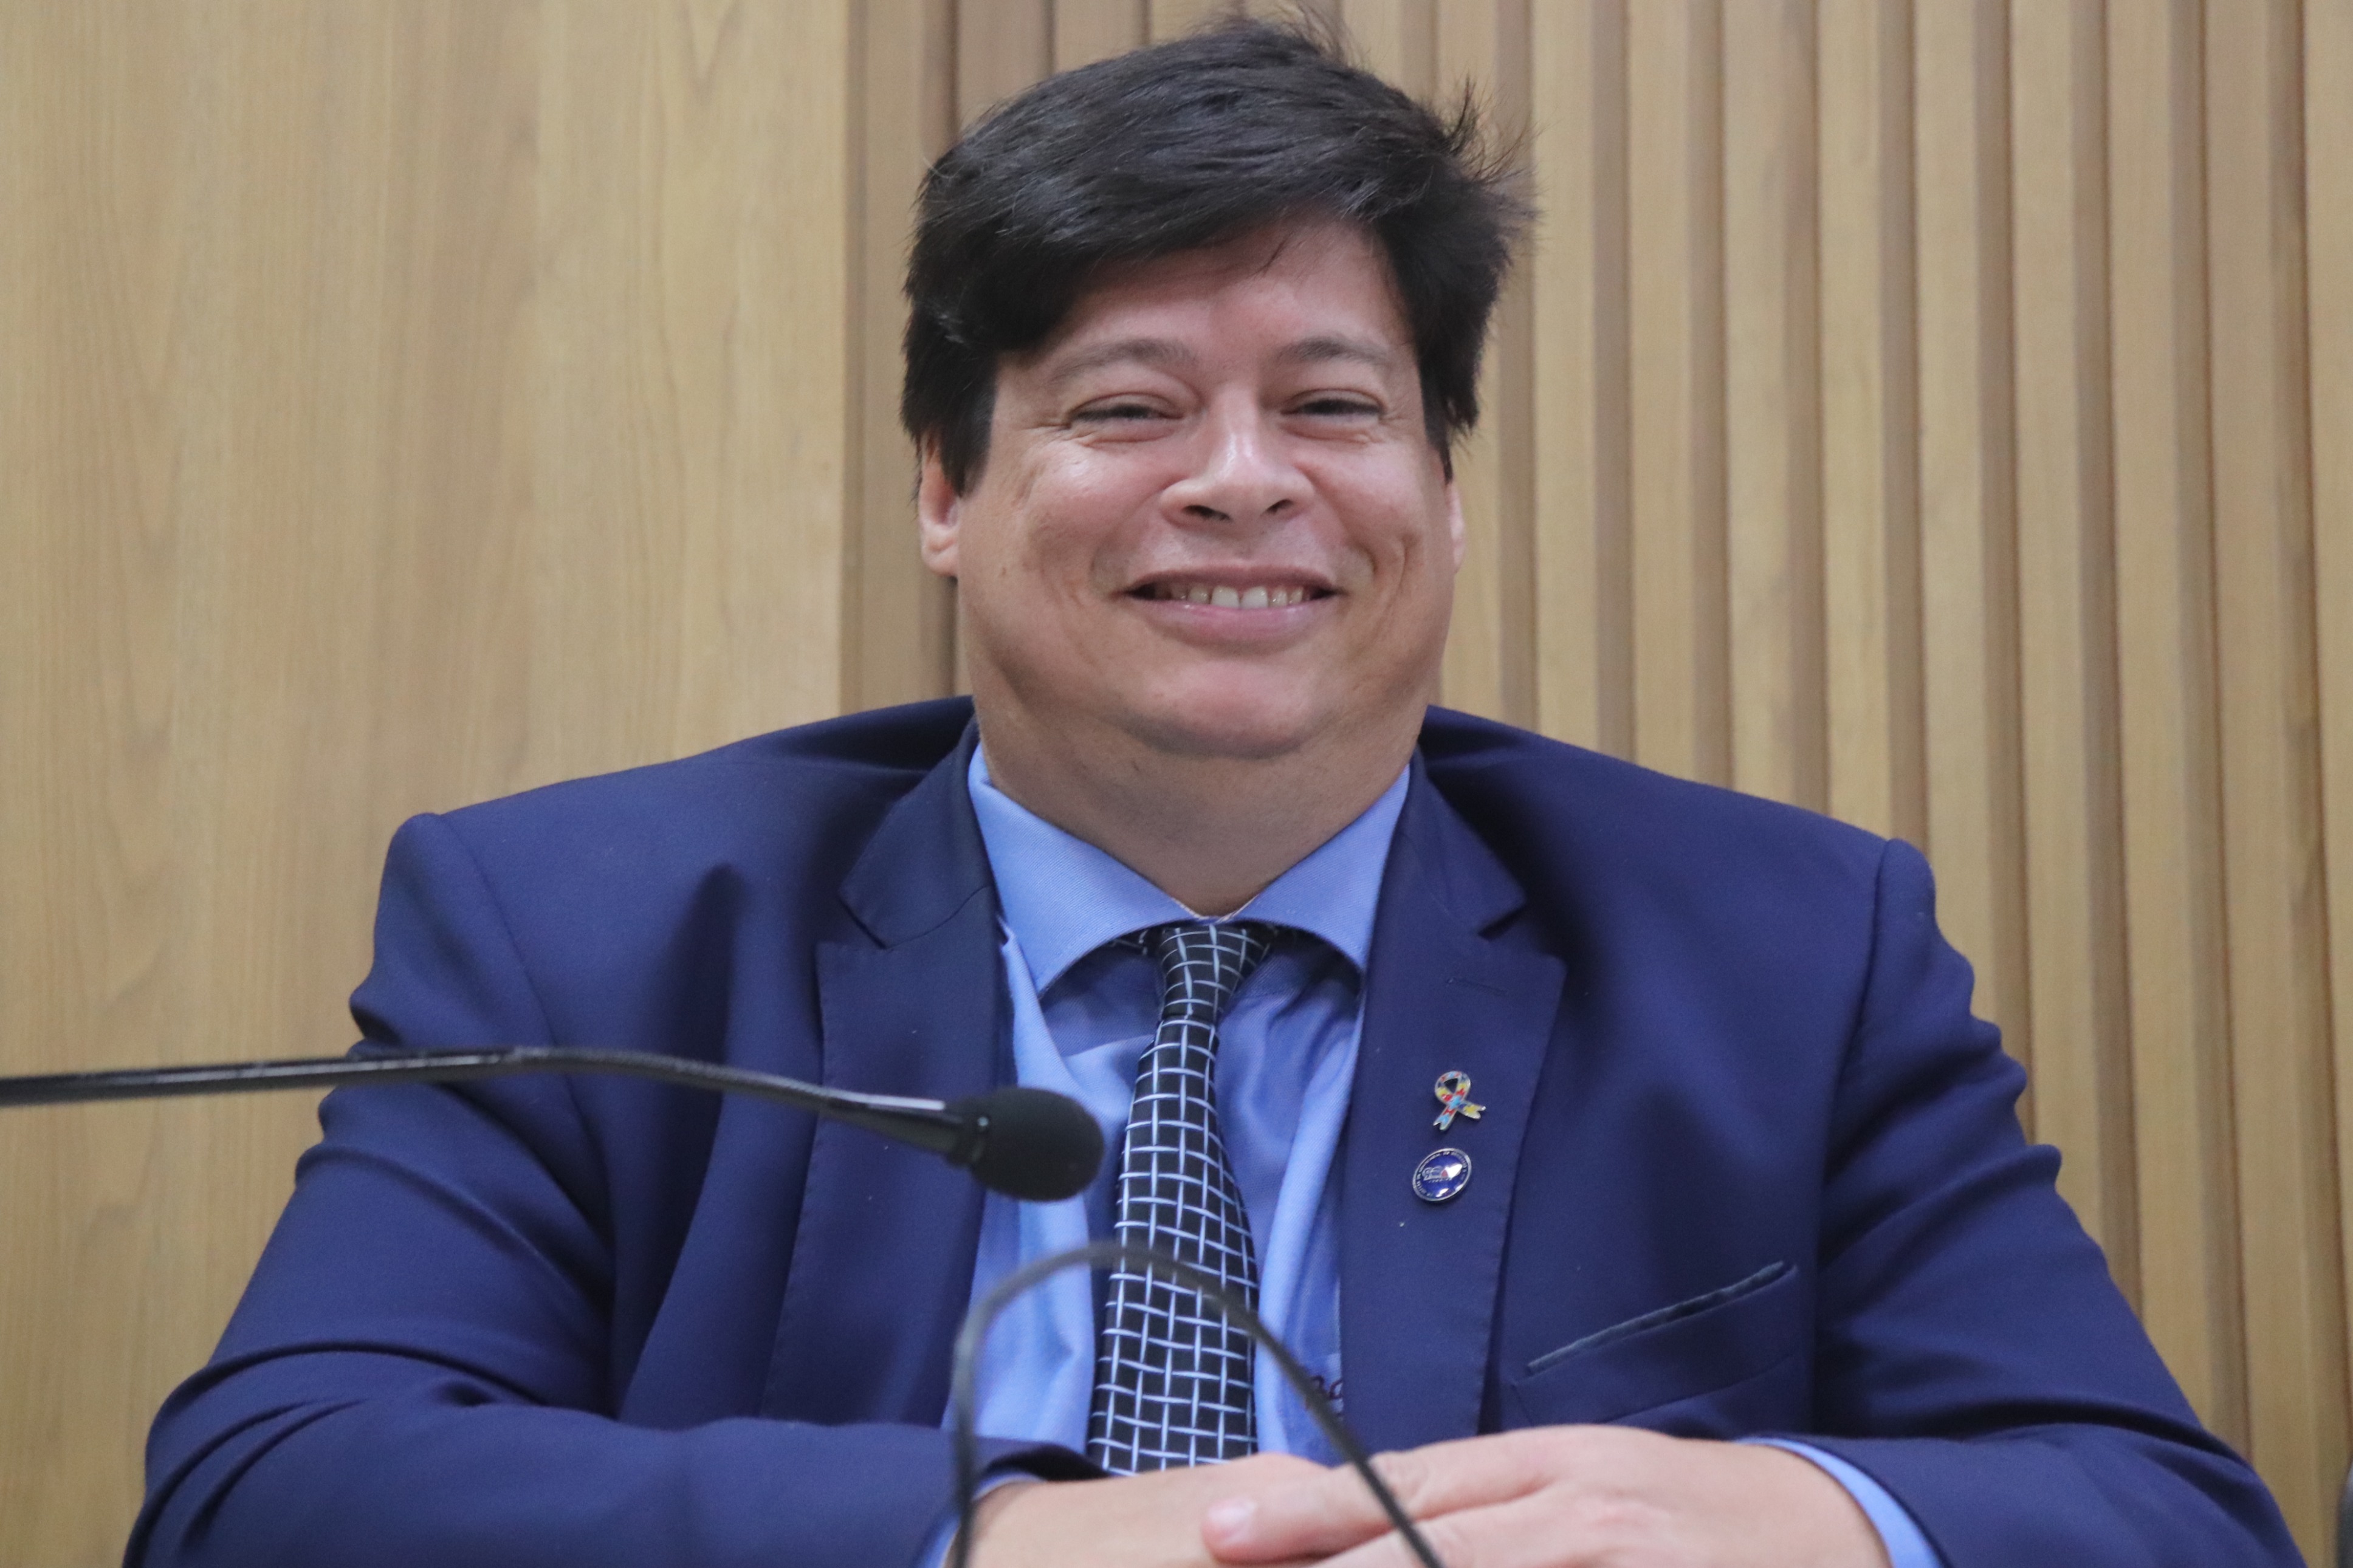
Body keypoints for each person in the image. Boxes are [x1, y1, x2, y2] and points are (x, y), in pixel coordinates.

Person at [132, 21, 2297, 1568]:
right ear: (947, 490)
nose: (1245, 480)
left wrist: (1793, 1513)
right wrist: (985, 1540)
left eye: (1334, 406)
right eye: (1129, 406)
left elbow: (2164, 1513)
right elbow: (271, 1490)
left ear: (1441, 488)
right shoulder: (585, 928)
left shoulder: (1783, 950)